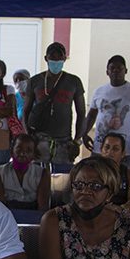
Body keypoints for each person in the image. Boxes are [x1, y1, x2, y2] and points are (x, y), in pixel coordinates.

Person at [24, 42, 86, 170]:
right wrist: (29, 139)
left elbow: (81, 113)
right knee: (37, 179)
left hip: (64, 142)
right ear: (46, 58)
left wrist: (77, 141)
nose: (56, 61)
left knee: (62, 181)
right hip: (39, 140)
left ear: (64, 59)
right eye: (53, 58)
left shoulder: (74, 81)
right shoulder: (35, 81)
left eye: (59, 58)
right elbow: (26, 111)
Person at [83, 55, 130, 170]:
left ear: (126, 70)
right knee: (98, 180)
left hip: (125, 151)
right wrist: (84, 134)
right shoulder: (99, 91)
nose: (116, 71)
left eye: (119, 68)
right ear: (107, 72)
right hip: (100, 149)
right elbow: (91, 115)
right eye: (112, 68)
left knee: (125, 183)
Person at [0, 134, 51, 210]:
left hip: (33, 216)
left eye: (28, 150)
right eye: (19, 149)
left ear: (34, 154)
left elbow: (43, 207)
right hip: (7, 215)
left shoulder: (42, 174)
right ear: (12, 150)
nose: (23, 153)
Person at [99, 133, 130, 214]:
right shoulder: (90, 172)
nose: (110, 152)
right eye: (107, 147)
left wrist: (120, 211)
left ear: (123, 154)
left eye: (115, 149)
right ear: (101, 150)